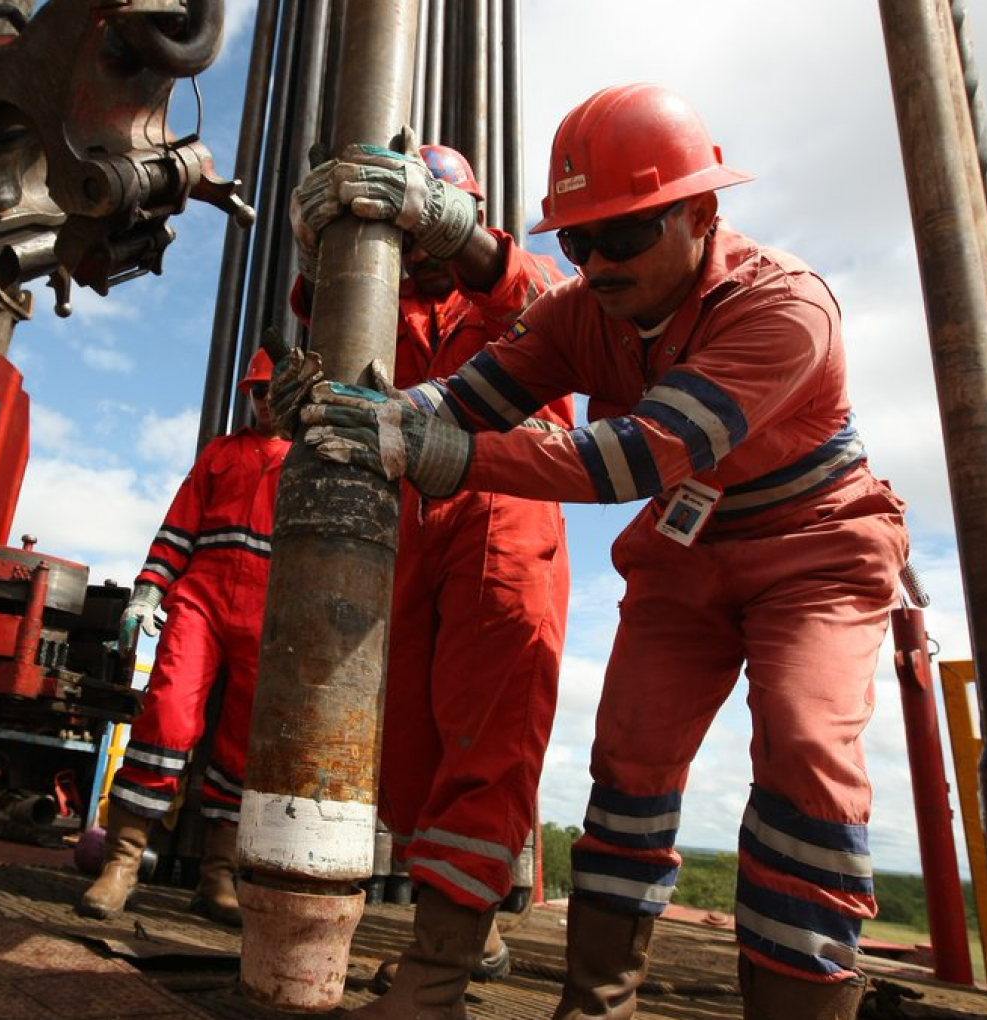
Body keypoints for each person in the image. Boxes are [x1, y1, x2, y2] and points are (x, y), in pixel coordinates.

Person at [283, 83, 908, 1020]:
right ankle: (594, 1006)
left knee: (807, 743)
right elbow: (470, 394)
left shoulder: (783, 304)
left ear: (701, 213)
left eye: (625, 236)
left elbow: (633, 455)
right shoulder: (585, 311)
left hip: (816, 543)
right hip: (685, 548)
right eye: (578, 241)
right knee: (628, 761)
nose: (599, 262)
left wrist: (436, 449)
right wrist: (368, 414)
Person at [290, 144, 572, 994]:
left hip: (505, 503)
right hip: (407, 518)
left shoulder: (529, 287)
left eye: (426, 222)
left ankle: (440, 968)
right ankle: (464, 926)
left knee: (487, 726)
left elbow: (562, 315)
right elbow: (324, 354)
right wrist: (324, 259)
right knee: (403, 746)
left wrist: (463, 236)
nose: (414, 248)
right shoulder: (385, 305)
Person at [77, 347, 287, 927]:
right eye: (258, 390)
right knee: (167, 715)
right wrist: (148, 590)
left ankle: (217, 874)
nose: (265, 401)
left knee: (243, 746)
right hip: (203, 597)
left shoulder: (308, 459)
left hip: (271, 610)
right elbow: (177, 530)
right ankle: (120, 863)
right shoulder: (220, 455)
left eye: (274, 390)